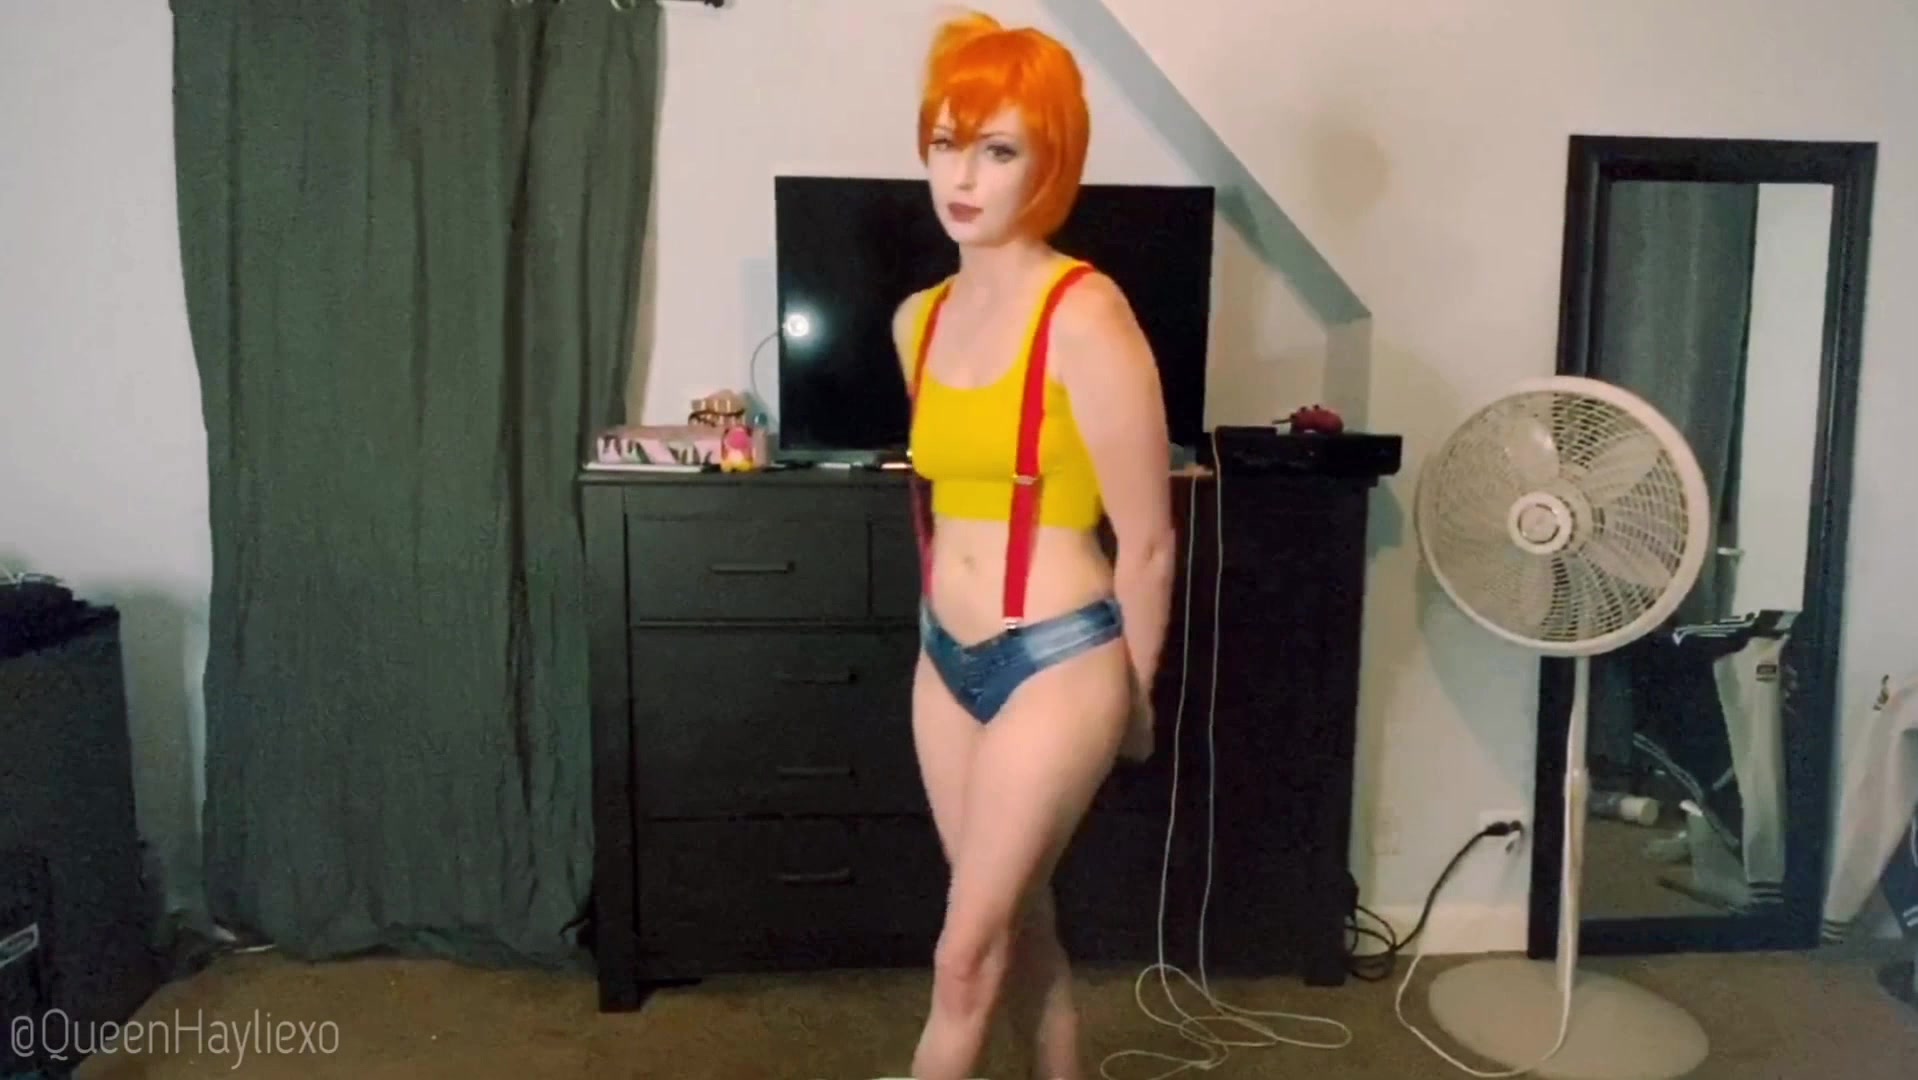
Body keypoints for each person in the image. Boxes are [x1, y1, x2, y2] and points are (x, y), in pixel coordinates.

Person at [892, 11, 1177, 1080]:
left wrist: (1135, 701)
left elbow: (1148, 541)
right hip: (944, 660)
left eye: (998, 149)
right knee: (1019, 929)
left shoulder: (1087, 315)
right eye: (946, 142)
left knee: (961, 958)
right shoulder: (915, 321)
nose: (962, 176)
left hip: (1059, 660)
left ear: (1048, 163)